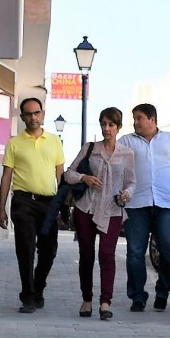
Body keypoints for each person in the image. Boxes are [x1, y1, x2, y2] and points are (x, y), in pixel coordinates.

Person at [118, 103, 170, 312]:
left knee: (169, 250)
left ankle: (162, 292)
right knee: (135, 252)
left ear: (152, 119)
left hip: (166, 204)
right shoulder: (126, 142)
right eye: (134, 118)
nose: (135, 122)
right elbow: (115, 168)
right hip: (136, 205)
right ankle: (137, 296)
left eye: (139, 118)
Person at [65, 107, 136, 320]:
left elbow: (132, 182)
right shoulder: (90, 148)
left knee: (107, 255)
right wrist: (84, 178)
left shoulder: (126, 153)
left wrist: (126, 194)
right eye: (103, 124)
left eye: (111, 124)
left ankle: (105, 302)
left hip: (112, 209)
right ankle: (87, 299)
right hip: (86, 208)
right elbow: (68, 173)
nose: (107, 128)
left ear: (118, 127)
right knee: (86, 256)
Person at [0, 97, 64, 313]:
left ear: (42, 114)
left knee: (49, 250)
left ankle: (39, 287)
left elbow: (60, 174)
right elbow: (6, 176)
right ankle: (27, 296)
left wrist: (62, 205)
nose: (33, 117)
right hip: (23, 201)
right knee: (25, 249)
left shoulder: (54, 141)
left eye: (37, 113)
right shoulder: (14, 143)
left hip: (48, 203)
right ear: (23, 117)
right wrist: (1, 208)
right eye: (28, 114)